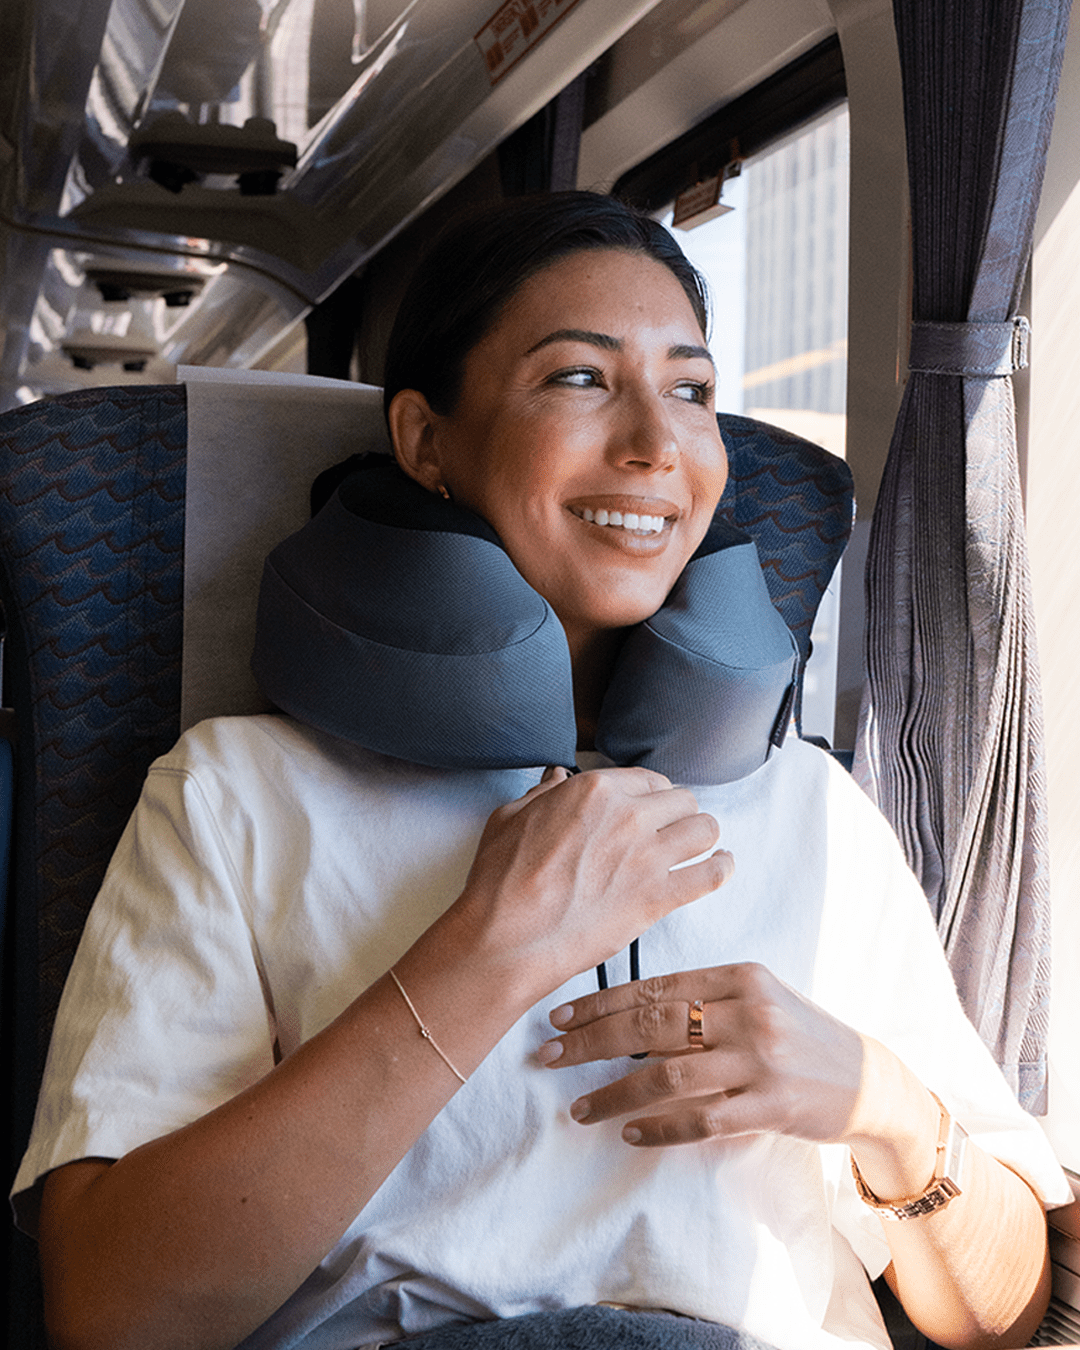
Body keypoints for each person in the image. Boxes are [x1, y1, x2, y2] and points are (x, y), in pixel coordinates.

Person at [11, 192, 1069, 1350]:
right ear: (427, 441)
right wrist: (488, 951)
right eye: (579, 377)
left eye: (692, 390)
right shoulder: (240, 794)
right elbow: (113, 1314)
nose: (656, 444)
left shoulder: (814, 810)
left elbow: (1002, 1321)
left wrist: (885, 1107)